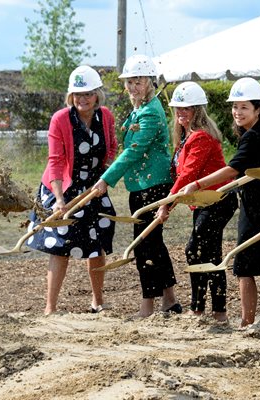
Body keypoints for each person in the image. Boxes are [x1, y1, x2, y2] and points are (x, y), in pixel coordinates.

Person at [181, 78, 260, 327]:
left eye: (244, 107)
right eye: (235, 107)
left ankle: (251, 322)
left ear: (257, 108)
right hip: (259, 201)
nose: (237, 112)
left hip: (259, 205)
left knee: (246, 266)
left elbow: (232, 170)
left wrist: (198, 184)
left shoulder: (255, 136)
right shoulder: (259, 131)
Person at [92, 54, 181, 318]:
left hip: (152, 186)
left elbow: (134, 150)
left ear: (150, 82)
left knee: (144, 246)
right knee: (154, 244)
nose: (132, 87)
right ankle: (170, 300)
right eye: (129, 82)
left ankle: (147, 306)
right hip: (142, 185)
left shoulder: (151, 112)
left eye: (138, 81)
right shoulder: (140, 109)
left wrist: (106, 179)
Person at [26, 65, 117, 315]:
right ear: (71, 96)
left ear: (97, 94)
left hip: (94, 189)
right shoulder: (61, 119)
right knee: (60, 245)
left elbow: (112, 148)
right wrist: (58, 200)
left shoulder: (105, 116)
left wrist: (105, 176)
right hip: (62, 188)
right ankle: (50, 307)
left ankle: (97, 302)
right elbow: (54, 160)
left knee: (97, 245)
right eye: (78, 94)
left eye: (88, 93)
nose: (83, 99)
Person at [155, 82, 238, 322]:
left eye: (187, 109)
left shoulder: (201, 138)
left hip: (217, 199)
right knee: (207, 253)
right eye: (178, 109)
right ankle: (209, 310)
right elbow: (181, 173)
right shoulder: (184, 137)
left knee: (196, 250)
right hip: (201, 202)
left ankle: (208, 310)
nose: (181, 113)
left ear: (197, 110)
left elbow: (188, 175)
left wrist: (166, 204)